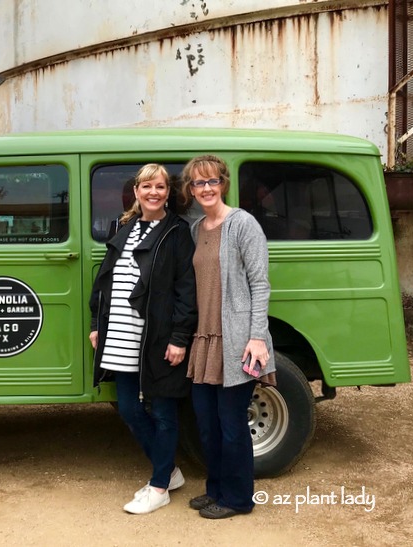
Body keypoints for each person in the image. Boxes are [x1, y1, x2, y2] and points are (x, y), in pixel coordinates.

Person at [89, 163, 197, 515]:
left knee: (164, 412)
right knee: (130, 410)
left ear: (168, 193)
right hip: (120, 336)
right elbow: (105, 280)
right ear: (136, 192)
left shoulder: (177, 232)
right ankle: (170, 471)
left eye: (161, 187)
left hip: (157, 337)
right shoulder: (125, 227)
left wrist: (180, 338)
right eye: (147, 186)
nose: (153, 192)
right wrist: (96, 323)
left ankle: (160, 486)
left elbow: (186, 289)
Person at [179, 154, 277, 519]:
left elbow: (260, 283)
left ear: (223, 183)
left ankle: (238, 499)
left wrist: (256, 337)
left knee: (232, 425)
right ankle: (216, 489)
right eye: (197, 183)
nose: (205, 189)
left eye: (211, 181)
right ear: (191, 190)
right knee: (207, 425)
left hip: (237, 342)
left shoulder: (243, 224)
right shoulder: (197, 229)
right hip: (204, 341)